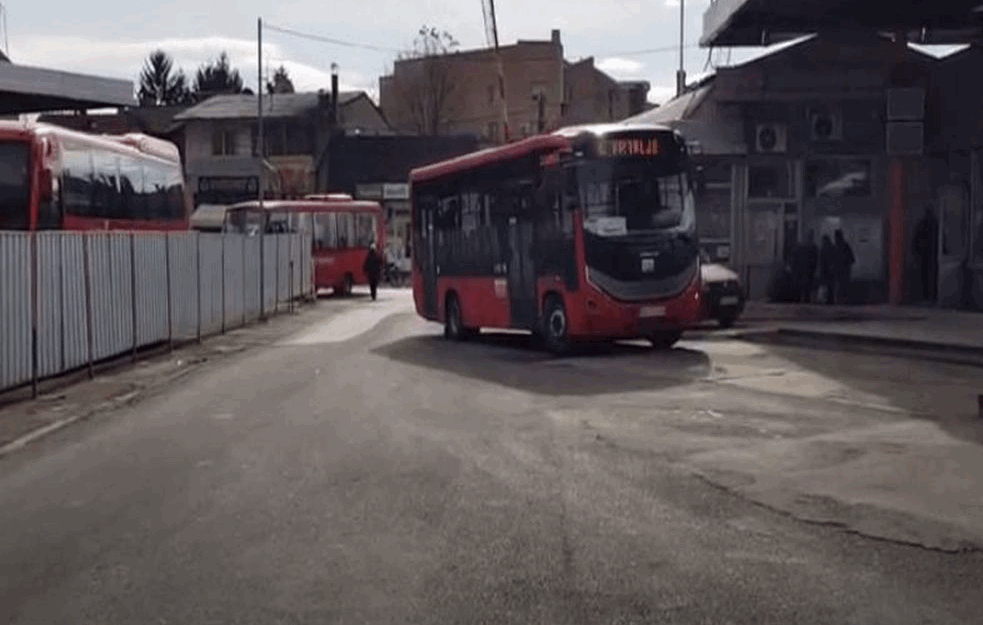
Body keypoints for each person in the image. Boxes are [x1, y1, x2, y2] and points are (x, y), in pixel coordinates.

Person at [912, 207, 939, 303]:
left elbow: (915, 241)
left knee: (926, 276)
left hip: (926, 254)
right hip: (931, 254)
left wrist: (916, 252)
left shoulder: (923, 224)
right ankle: (931, 296)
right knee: (931, 276)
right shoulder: (935, 224)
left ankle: (927, 296)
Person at [790, 231, 819, 303]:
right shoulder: (813, 248)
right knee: (806, 290)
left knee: (801, 289)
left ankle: (800, 301)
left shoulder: (800, 248)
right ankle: (805, 301)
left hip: (803, 272)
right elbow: (815, 261)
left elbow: (794, 261)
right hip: (807, 272)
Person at [833, 229, 855, 304]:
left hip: (841, 272)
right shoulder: (844, 246)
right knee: (843, 288)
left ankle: (841, 301)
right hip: (843, 272)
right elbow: (852, 259)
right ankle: (843, 301)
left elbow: (851, 259)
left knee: (840, 288)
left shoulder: (839, 247)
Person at [819, 234, 836, 305]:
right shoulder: (832, 248)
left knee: (826, 287)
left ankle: (826, 300)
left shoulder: (823, 249)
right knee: (830, 287)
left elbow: (821, 261)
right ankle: (830, 300)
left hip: (825, 271)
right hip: (830, 271)